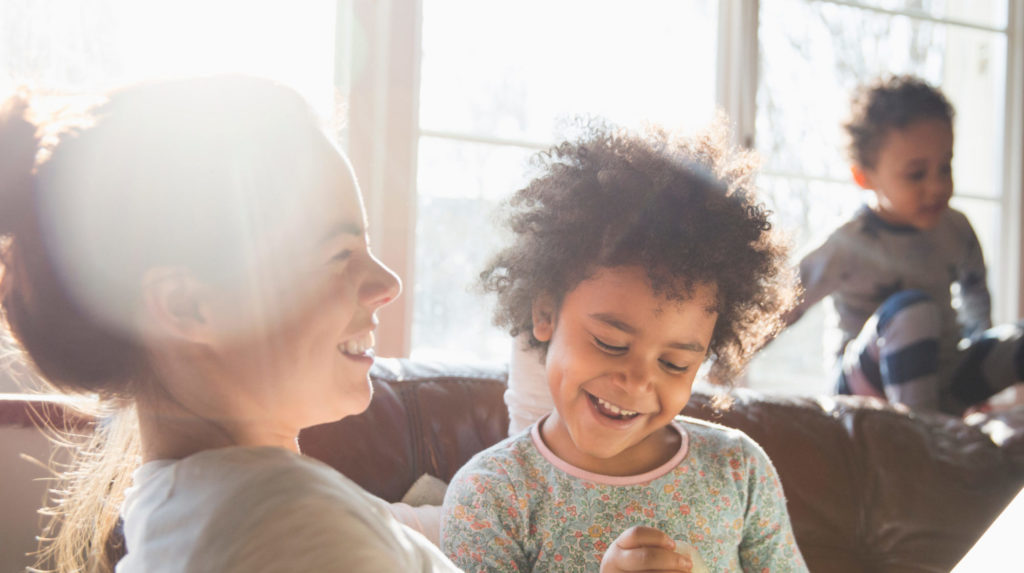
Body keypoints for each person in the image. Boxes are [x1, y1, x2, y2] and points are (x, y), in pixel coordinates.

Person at [0, 76, 460, 572]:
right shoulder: (289, 532)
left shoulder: (197, 509)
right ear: (186, 306)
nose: (388, 284)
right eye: (339, 253)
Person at [441, 120, 808, 572]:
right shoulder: (492, 494)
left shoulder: (738, 472)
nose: (637, 381)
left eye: (674, 363)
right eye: (611, 344)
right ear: (544, 315)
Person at [783, 74, 1023, 414]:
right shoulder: (847, 243)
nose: (938, 186)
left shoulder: (956, 228)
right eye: (916, 174)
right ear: (864, 177)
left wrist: (978, 368)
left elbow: (976, 300)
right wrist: (723, 365)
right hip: (866, 390)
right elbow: (779, 305)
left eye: (945, 166)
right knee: (913, 312)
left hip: (945, 379)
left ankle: (937, 416)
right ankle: (922, 440)